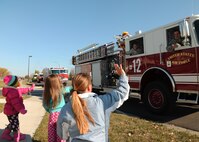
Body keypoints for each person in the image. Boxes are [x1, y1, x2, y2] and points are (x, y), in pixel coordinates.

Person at [57, 64, 130, 142]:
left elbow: (62, 135)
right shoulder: (102, 102)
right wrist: (122, 75)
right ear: (89, 87)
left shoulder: (66, 108)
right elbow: (122, 92)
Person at [1, 75, 35, 142]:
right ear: (14, 83)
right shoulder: (13, 92)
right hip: (11, 111)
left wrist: (30, 88)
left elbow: (23, 90)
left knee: (13, 123)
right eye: (17, 80)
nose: (19, 81)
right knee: (16, 125)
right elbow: (15, 103)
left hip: (11, 111)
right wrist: (21, 109)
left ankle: (5, 134)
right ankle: (16, 137)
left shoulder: (15, 89)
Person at [42, 74, 66, 142]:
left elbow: (45, 105)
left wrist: (50, 111)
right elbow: (68, 89)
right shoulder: (61, 91)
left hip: (52, 115)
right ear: (58, 83)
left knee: (52, 133)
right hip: (62, 114)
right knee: (61, 133)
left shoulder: (46, 95)